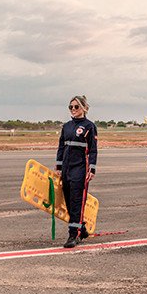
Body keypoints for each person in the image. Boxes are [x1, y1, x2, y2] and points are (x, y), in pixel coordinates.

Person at [56, 95, 98, 248]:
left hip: (80, 168)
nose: (73, 110)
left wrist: (92, 168)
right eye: (71, 107)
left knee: (77, 201)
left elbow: (93, 150)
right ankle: (82, 227)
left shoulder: (89, 126)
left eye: (76, 107)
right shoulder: (66, 126)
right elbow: (61, 147)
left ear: (84, 108)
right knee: (68, 200)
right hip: (66, 167)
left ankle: (74, 234)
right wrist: (59, 166)